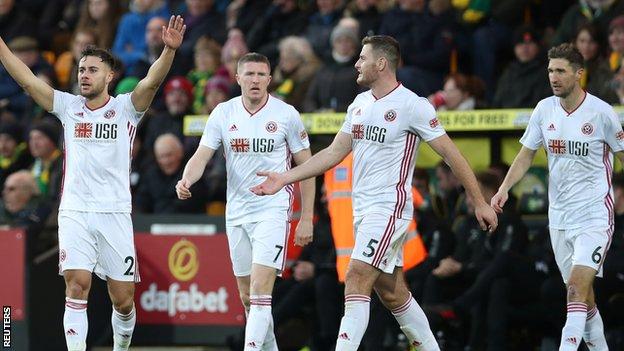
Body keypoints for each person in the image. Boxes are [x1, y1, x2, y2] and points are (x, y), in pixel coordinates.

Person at [251, 35, 498, 351]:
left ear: (381, 63)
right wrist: (285, 177)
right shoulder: (360, 104)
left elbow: (452, 155)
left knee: (355, 276)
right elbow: (333, 153)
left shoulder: (413, 106)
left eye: (362, 58)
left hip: (389, 209)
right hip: (363, 211)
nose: (356, 63)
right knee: (392, 293)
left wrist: (479, 201)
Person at [0, 15, 186, 351]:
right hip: (75, 211)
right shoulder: (69, 108)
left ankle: (120, 345)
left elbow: (151, 83)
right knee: (76, 284)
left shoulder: (126, 110)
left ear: (109, 76)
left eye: (92, 70)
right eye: (81, 70)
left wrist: (168, 52)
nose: (84, 75)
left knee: (123, 300)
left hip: (114, 213)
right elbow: (28, 81)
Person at [175, 52, 315, 350]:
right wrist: (187, 178)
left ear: (269, 79)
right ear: (237, 78)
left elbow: (308, 167)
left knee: (261, 291)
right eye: (249, 74)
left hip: (273, 210)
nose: (255, 80)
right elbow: (202, 155)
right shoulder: (223, 113)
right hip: (237, 212)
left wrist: (305, 218)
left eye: (261, 74)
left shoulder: (286, 114)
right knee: (249, 299)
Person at [491, 43, 624, 351]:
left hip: (593, 216)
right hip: (559, 218)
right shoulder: (543, 109)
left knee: (576, 290)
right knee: (584, 299)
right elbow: (526, 155)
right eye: (550, 70)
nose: (553, 76)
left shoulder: (602, 113)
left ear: (579, 74)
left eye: (561, 70)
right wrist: (503, 189)